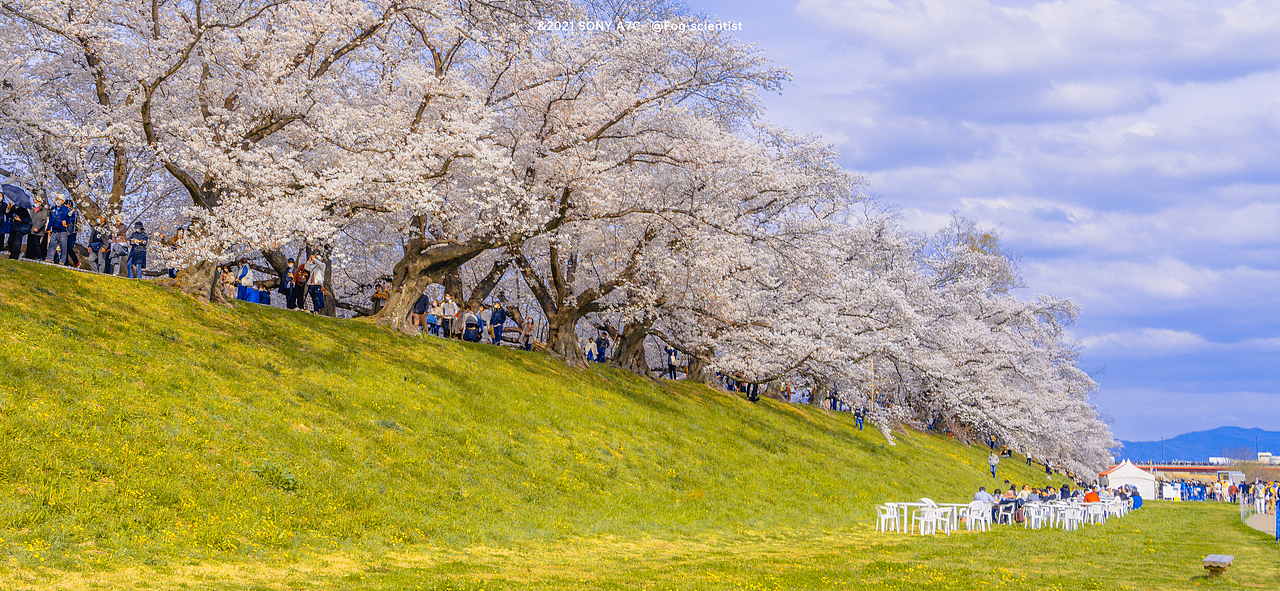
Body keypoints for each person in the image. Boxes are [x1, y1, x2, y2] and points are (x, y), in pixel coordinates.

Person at [45, 196, 73, 265]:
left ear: (62, 201)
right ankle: (49, 259)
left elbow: (72, 218)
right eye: (56, 199)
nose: (57, 201)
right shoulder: (53, 209)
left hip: (63, 231)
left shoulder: (67, 209)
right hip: (54, 230)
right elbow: (51, 219)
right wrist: (48, 228)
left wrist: (66, 221)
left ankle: (62, 261)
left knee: (63, 247)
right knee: (51, 245)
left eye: (59, 200)